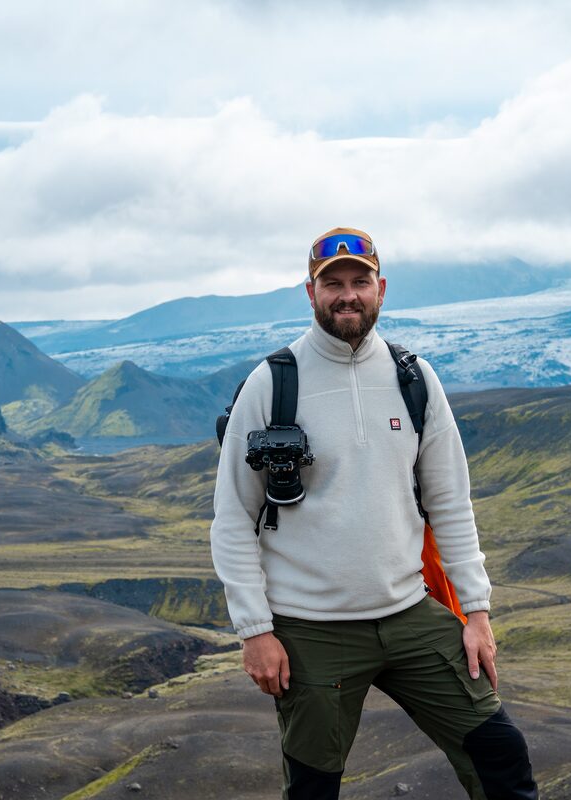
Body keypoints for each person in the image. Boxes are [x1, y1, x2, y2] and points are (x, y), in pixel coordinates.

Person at [210, 227, 537, 799]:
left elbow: (449, 501)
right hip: (311, 629)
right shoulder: (272, 383)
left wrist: (478, 612)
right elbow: (233, 517)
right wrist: (255, 631)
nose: (347, 295)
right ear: (309, 294)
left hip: (410, 613)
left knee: (499, 753)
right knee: (314, 788)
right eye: (331, 283)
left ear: (380, 289)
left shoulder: (415, 379)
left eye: (359, 282)